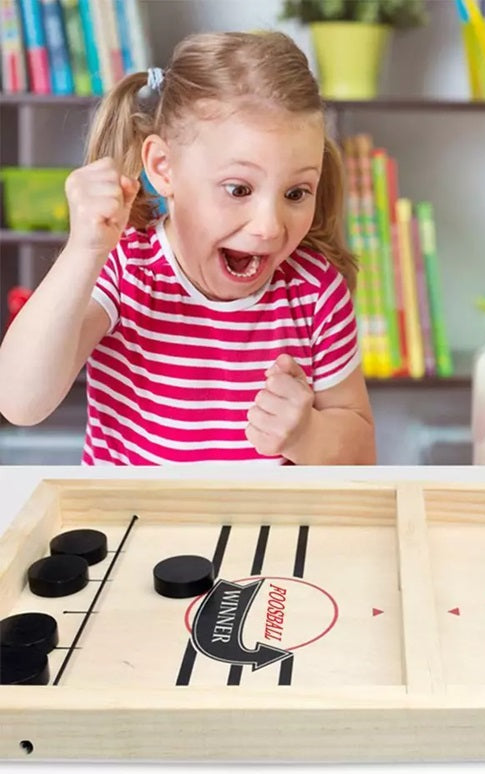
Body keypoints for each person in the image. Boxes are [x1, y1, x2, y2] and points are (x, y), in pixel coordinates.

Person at [0, 31, 375, 466]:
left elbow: (361, 454)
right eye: (238, 189)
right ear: (162, 168)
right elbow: (18, 402)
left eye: (296, 193)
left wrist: (307, 435)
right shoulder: (125, 268)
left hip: (266, 531)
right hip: (133, 529)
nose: (270, 227)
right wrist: (84, 250)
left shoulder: (315, 292)